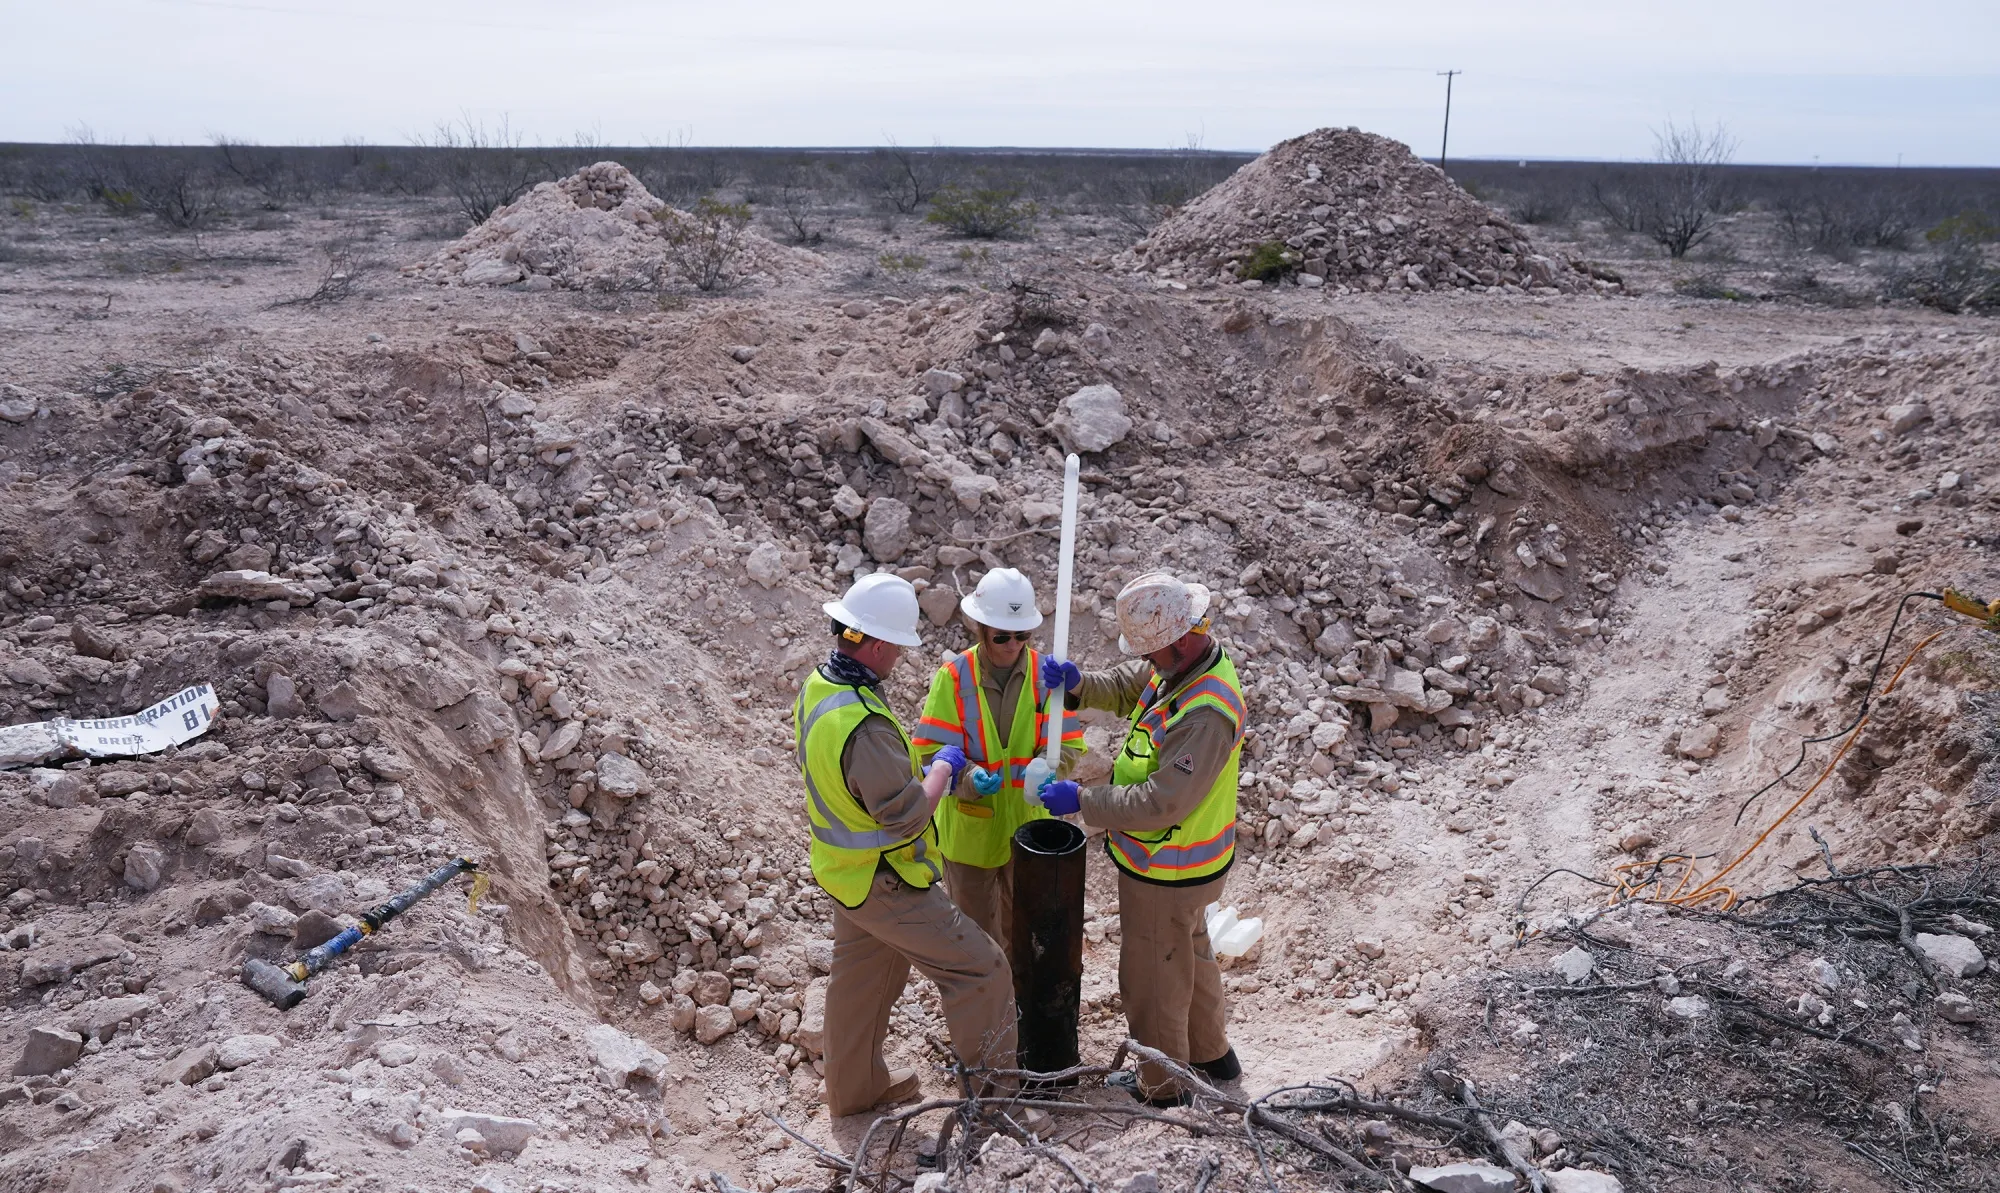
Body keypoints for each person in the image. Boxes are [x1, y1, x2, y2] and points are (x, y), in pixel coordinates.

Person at [794, 572, 1018, 1117]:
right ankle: (994, 1100)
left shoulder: (822, 688)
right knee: (980, 969)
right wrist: (944, 766)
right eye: (896, 646)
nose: (899, 656)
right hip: (887, 877)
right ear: (872, 644)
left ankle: (855, 1092)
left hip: (845, 871)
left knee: (865, 980)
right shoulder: (865, 724)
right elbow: (907, 817)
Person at [1035, 571, 1245, 1107]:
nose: (1147, 664)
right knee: (1188, 956)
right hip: (1184, 863)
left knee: (1152, 978)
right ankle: (1211, 1055)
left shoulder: (1204, 712)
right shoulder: (1183, 668)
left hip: (1167, 866)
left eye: (1153, 654)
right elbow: (1132, 684)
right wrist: (1080, 685)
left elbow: (1159, 803)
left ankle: (1164, 1087)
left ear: (1176, 642)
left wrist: (1083, 802)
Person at [912, 568, 1084, 969]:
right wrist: (969, 778)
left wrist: (1050, 764)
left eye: (1021, 636)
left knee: (1025, 932)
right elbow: (930, 750)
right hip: (971, 832)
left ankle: (1019, 1013)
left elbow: (1070, 743)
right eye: (1002, 636)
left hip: (1028, 827)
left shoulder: (1048, 677)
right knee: (975, 939)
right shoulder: (954, 678)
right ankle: (987, 1019)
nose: (1012, 646)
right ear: (981, 628)